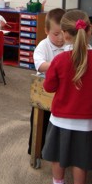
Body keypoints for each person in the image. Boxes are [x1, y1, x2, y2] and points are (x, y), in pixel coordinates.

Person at [42, 10, 92, 184]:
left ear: (64, 34)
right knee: (80, 159)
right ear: (89, 31)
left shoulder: (59, 60)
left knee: (58, 155)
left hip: (60, 118)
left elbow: (48, 87)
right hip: (86, 120)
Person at [28, 8, 65, 156]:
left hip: (62, 91)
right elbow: (40, 65)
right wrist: (60, 64)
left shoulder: (69, 44)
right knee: (40, 123)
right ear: (46, 31)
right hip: (45, 92)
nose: (61, 38)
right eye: (56, 34)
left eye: (64, 33)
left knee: (59, 125)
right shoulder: (43, 46)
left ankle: (58, 150)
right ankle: (36, 150)